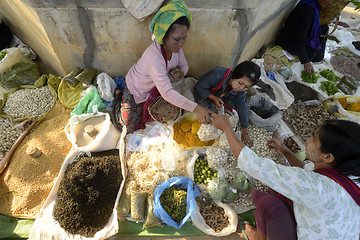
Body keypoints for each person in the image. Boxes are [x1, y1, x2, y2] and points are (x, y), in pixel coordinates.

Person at [211, 114, 360, 240]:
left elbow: (252, 163)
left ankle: (258, 236)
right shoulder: (350, 174)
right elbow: (308, 171)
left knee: (267, 202)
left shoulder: (315, 186)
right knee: (275, 189)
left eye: (314, 139)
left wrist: (226, 128)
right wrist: (287, 152)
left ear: (328, 157)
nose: (308, 140)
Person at [114, 0, 212, 133]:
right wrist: (197, 108)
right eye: (177, 39)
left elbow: (184, 66)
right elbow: (167, 93)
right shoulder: (154, 57)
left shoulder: (175, 49)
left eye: (184, 38)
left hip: (154, 88)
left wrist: (181, 73)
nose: (181, 43)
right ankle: (119, 97)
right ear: (163, 37)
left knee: (165, 114)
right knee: (127, 126)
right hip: (136, 88)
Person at [194, 61, 260, 147]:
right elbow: (199, 87)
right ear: (235, 75)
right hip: (203, 95)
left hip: (220, 97)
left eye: (246, 87)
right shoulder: (218, 74)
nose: (241, 88)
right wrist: (213, 98)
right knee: (206, 116)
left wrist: (245, 131)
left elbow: (242, 106)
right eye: (240, 83)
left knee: (229, 112)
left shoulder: (241, 90)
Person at [275, 0, 335, 74]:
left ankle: (317, 48)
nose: (330, 2)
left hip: (295, 35)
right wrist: (306, 61)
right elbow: (299, 40)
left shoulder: (311, 4)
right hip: (288, 42)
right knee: (318, 56)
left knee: (325, 29)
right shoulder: (308, 11)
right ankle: (317, 50)